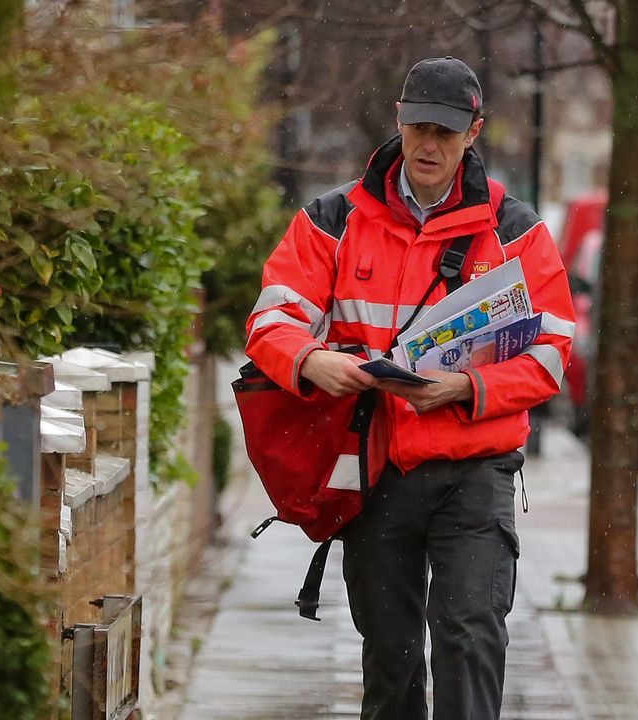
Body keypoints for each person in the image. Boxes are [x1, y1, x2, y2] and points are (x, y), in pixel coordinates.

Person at [244, 57, 574, 720]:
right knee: (390, 657)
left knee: (469, 637)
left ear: (474, 132)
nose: (429, 144)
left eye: (446, 133)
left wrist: (466, 387)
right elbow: (271, 318)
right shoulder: (332, 219)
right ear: (398, 119)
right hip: (377, 468)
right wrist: (312, 360)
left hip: (475, 472)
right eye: (419, 126)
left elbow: (551, 355)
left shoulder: (516, 233)